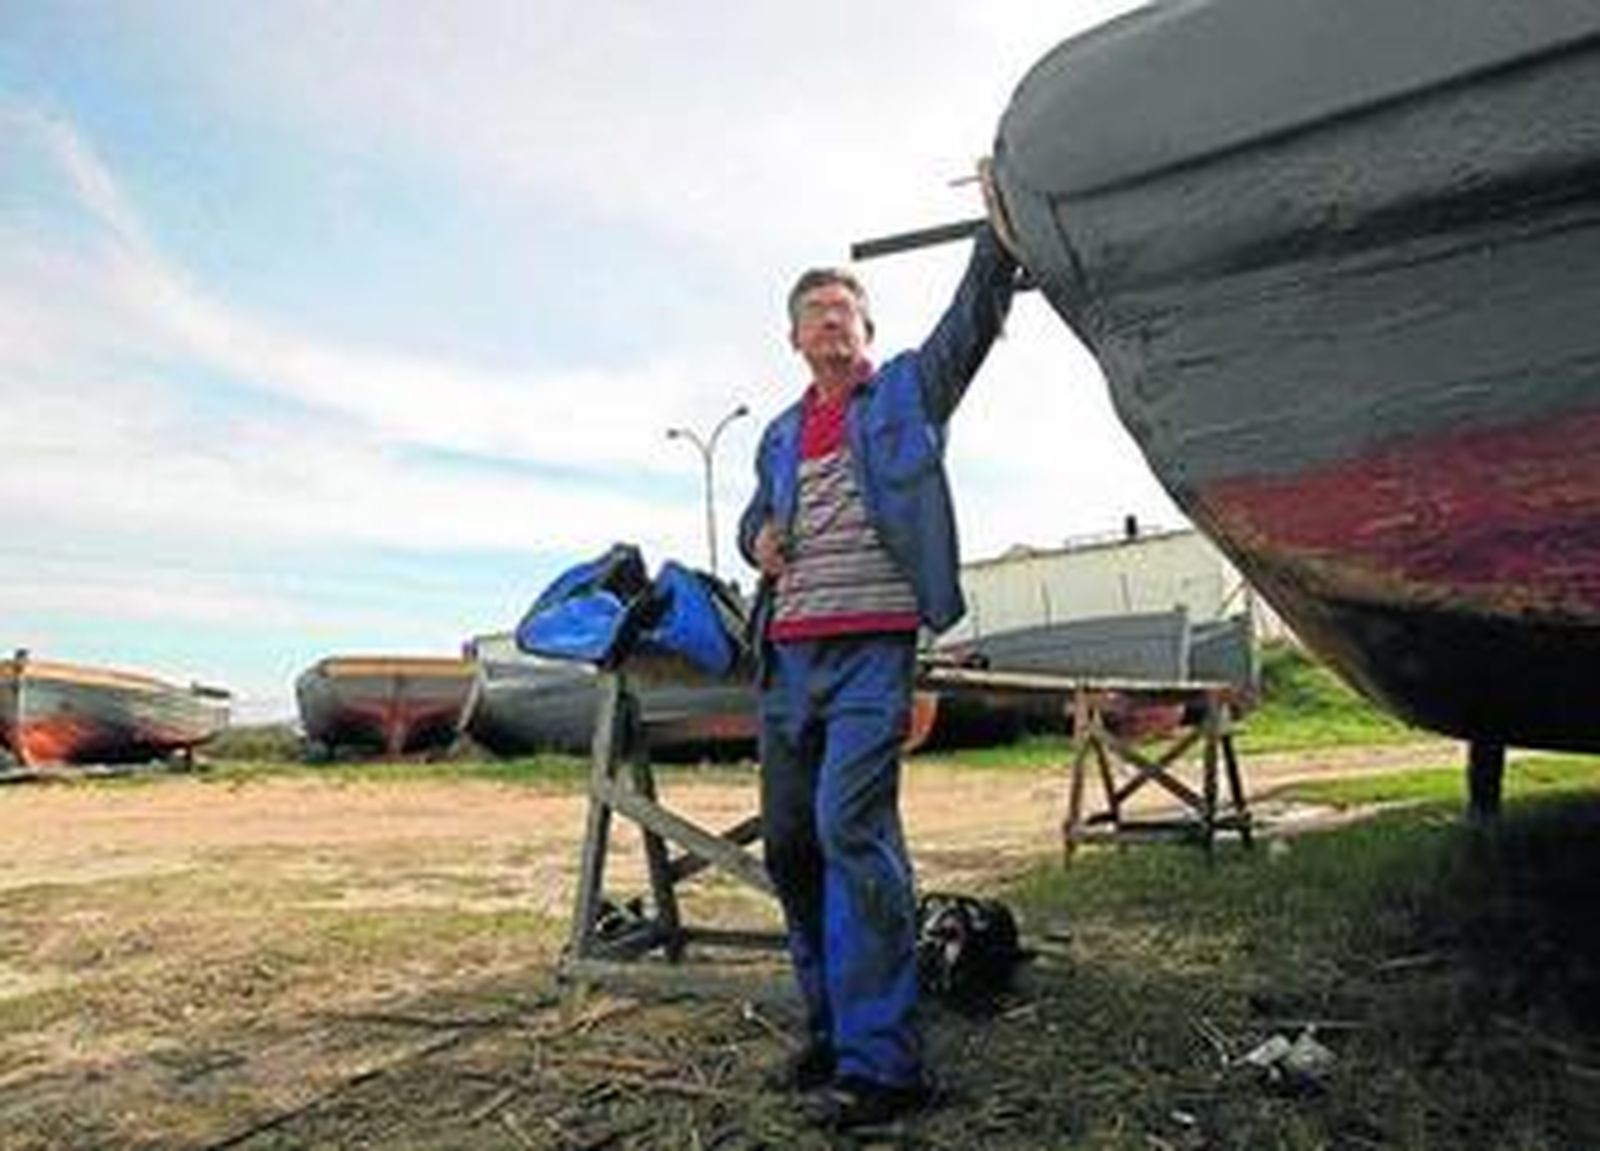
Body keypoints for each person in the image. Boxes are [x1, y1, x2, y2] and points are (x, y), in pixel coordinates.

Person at [738, 168, 1021, 1130]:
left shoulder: (905, 392)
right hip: (787, 662)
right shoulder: (776, 434)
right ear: (794, 336)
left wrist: (999, 232)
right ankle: (828, 1031)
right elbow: (751, 521)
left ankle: (884, 1066)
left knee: (853, 834)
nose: (832, 323)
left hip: (870, 656)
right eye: (815, 313)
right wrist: (755, 542)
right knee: (791, 847)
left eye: (845, 310)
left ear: (864, 328)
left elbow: (969, 326)